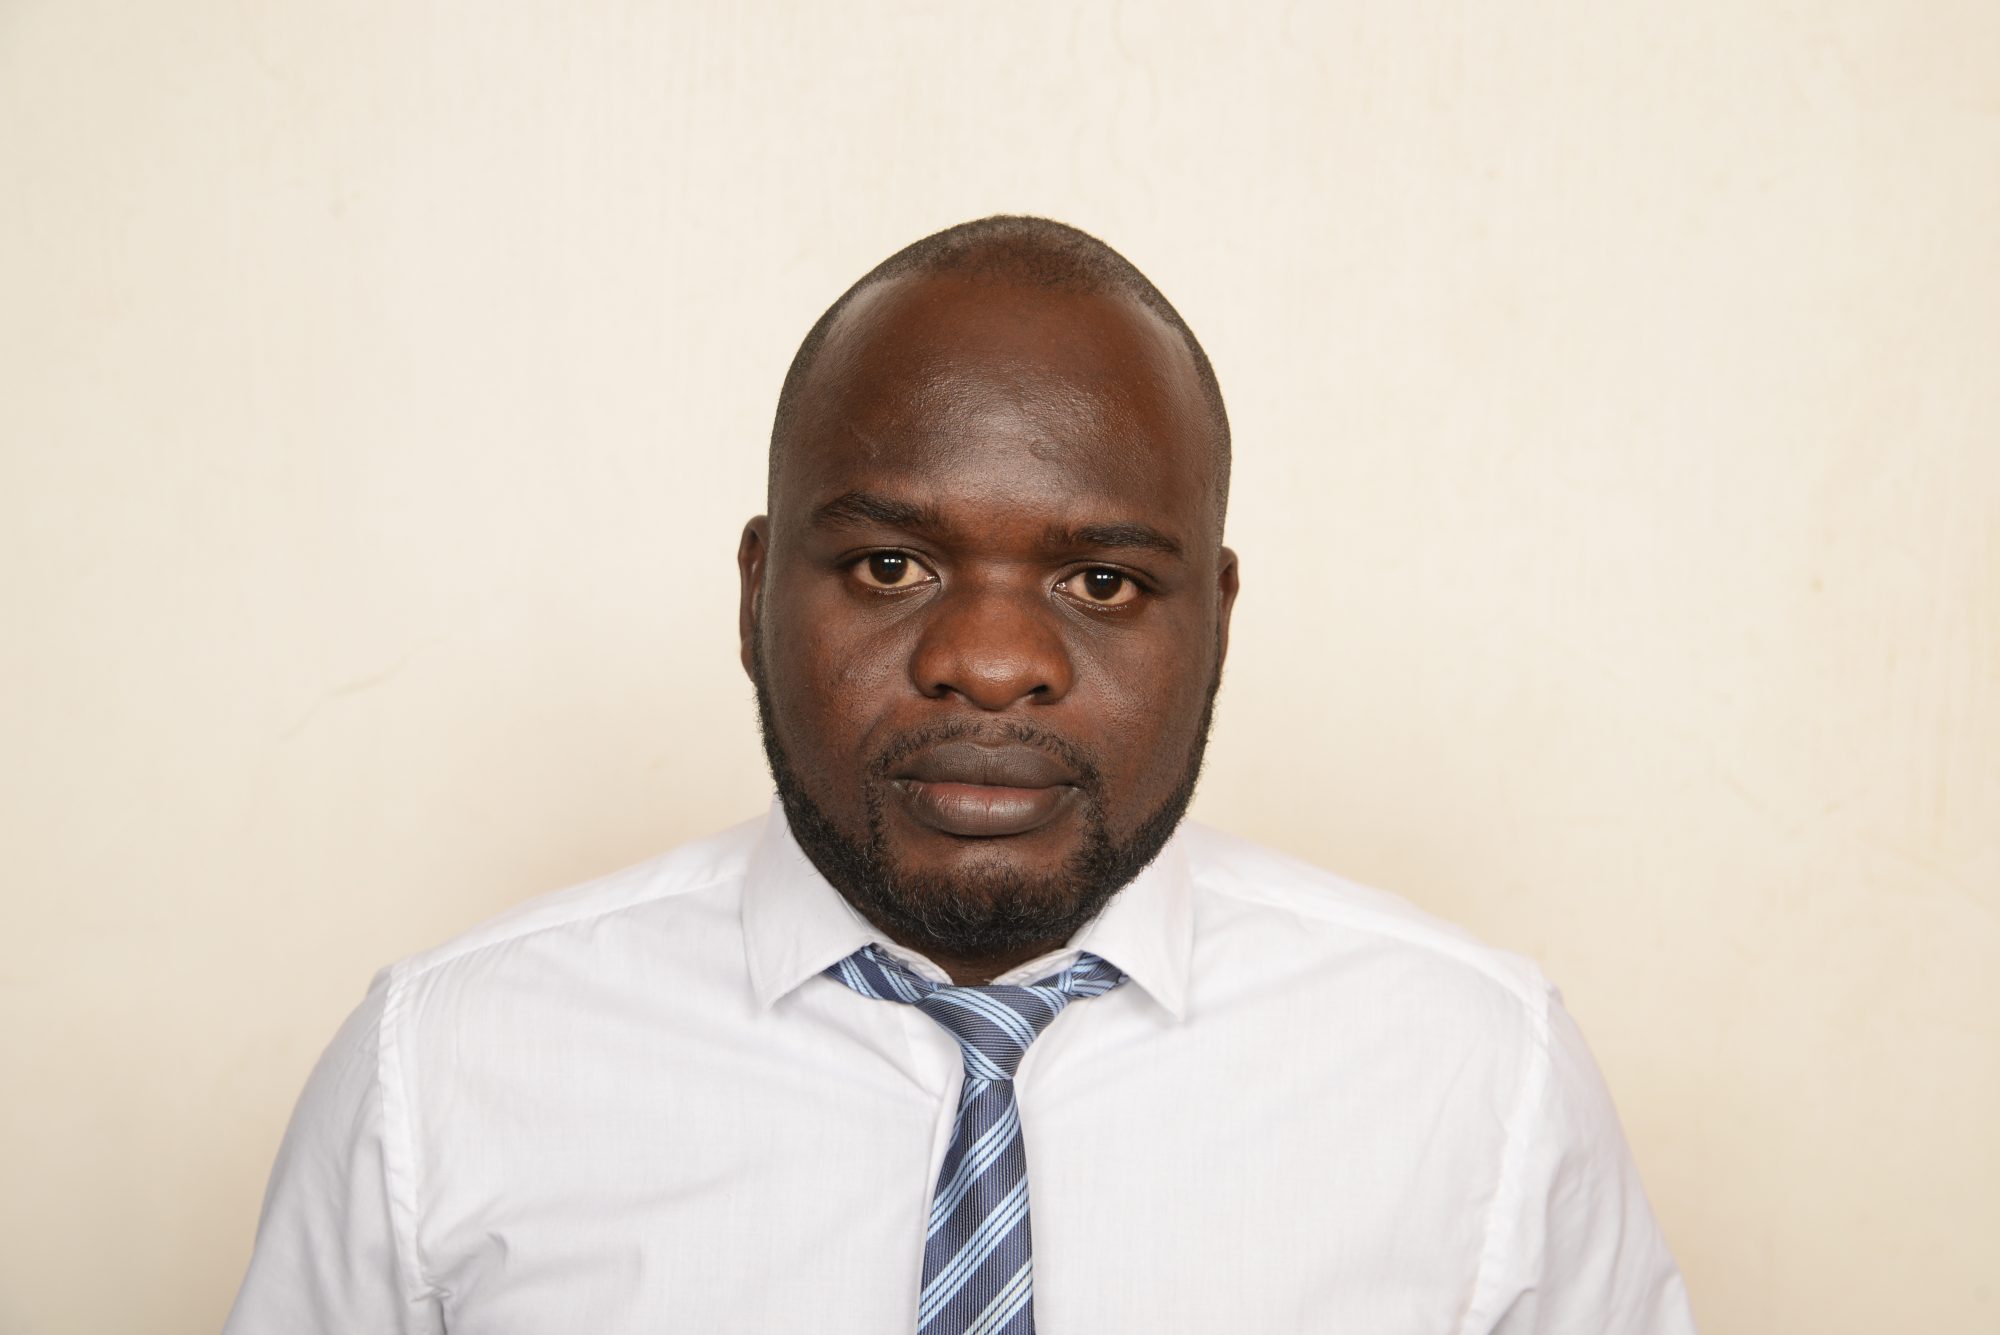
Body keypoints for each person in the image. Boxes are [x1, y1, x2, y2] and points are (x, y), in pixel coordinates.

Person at [226, 216, 1697, 1334]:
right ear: (753, 595)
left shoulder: (1476, 1076)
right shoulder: (442, 1073)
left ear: (1218, 620)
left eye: (1103, 583)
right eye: (890, 565)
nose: (990, 663)